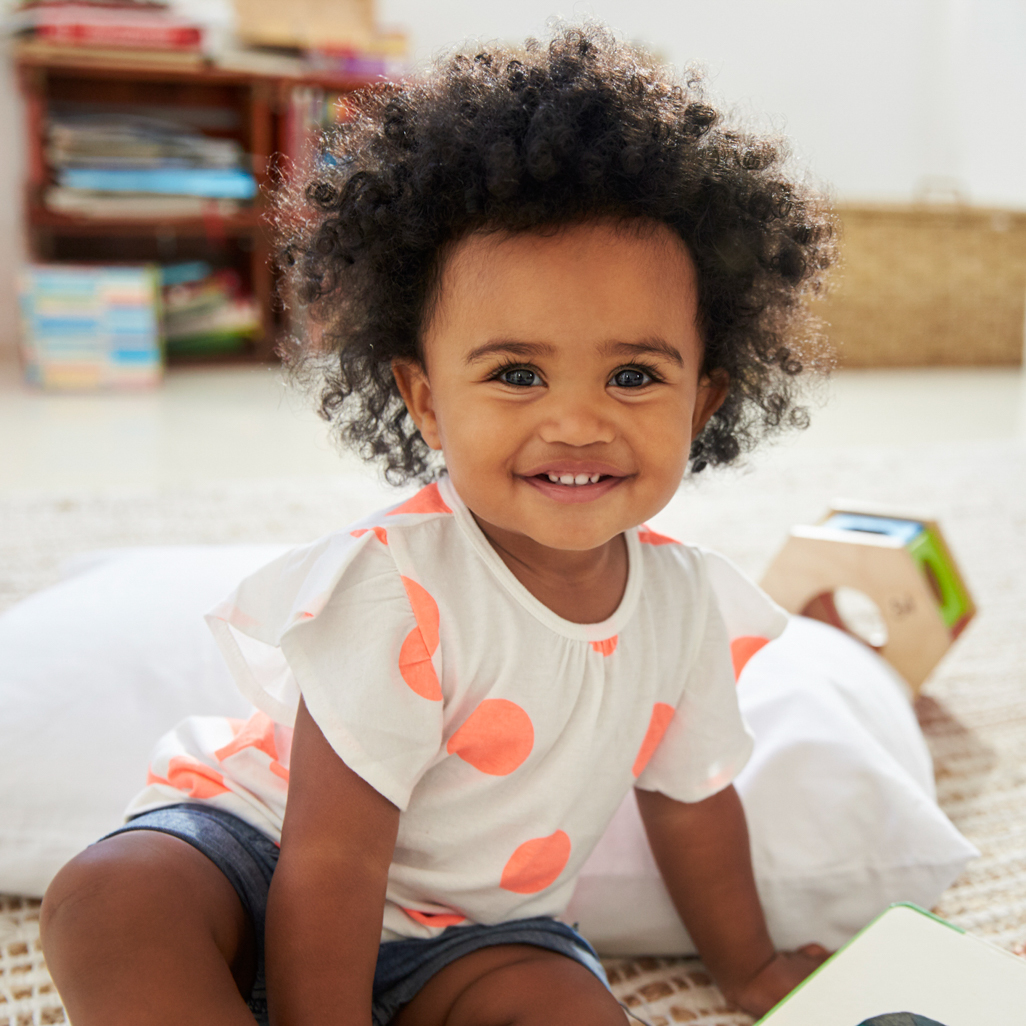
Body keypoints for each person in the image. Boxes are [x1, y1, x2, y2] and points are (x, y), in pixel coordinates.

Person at [40, 24, 836, 1026]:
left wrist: (754, 969)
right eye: (516, 374)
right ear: (422, 400)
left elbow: (692, 804)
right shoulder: (396, 588)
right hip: (258, 860)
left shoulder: (684, 606)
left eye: (634, 375)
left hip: (477, 935)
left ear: (706, 402)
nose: (578, 420)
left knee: (577, 1014)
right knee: (110, 902)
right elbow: (331, 861)